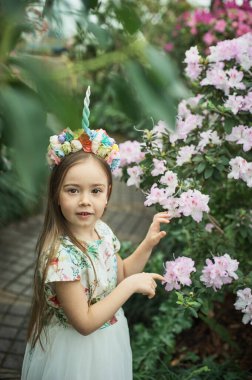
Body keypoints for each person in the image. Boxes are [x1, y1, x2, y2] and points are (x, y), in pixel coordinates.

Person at [21, 88, 170, 380]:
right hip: (73, 353)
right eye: (73, 190)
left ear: (108, 194)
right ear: (56, 195)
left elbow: (122, 273)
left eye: (95, 191)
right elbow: (85, 322)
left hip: (108, 342)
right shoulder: (60, 256)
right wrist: (131, 287)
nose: (85, 200)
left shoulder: (102, 231)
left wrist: (148, 243)